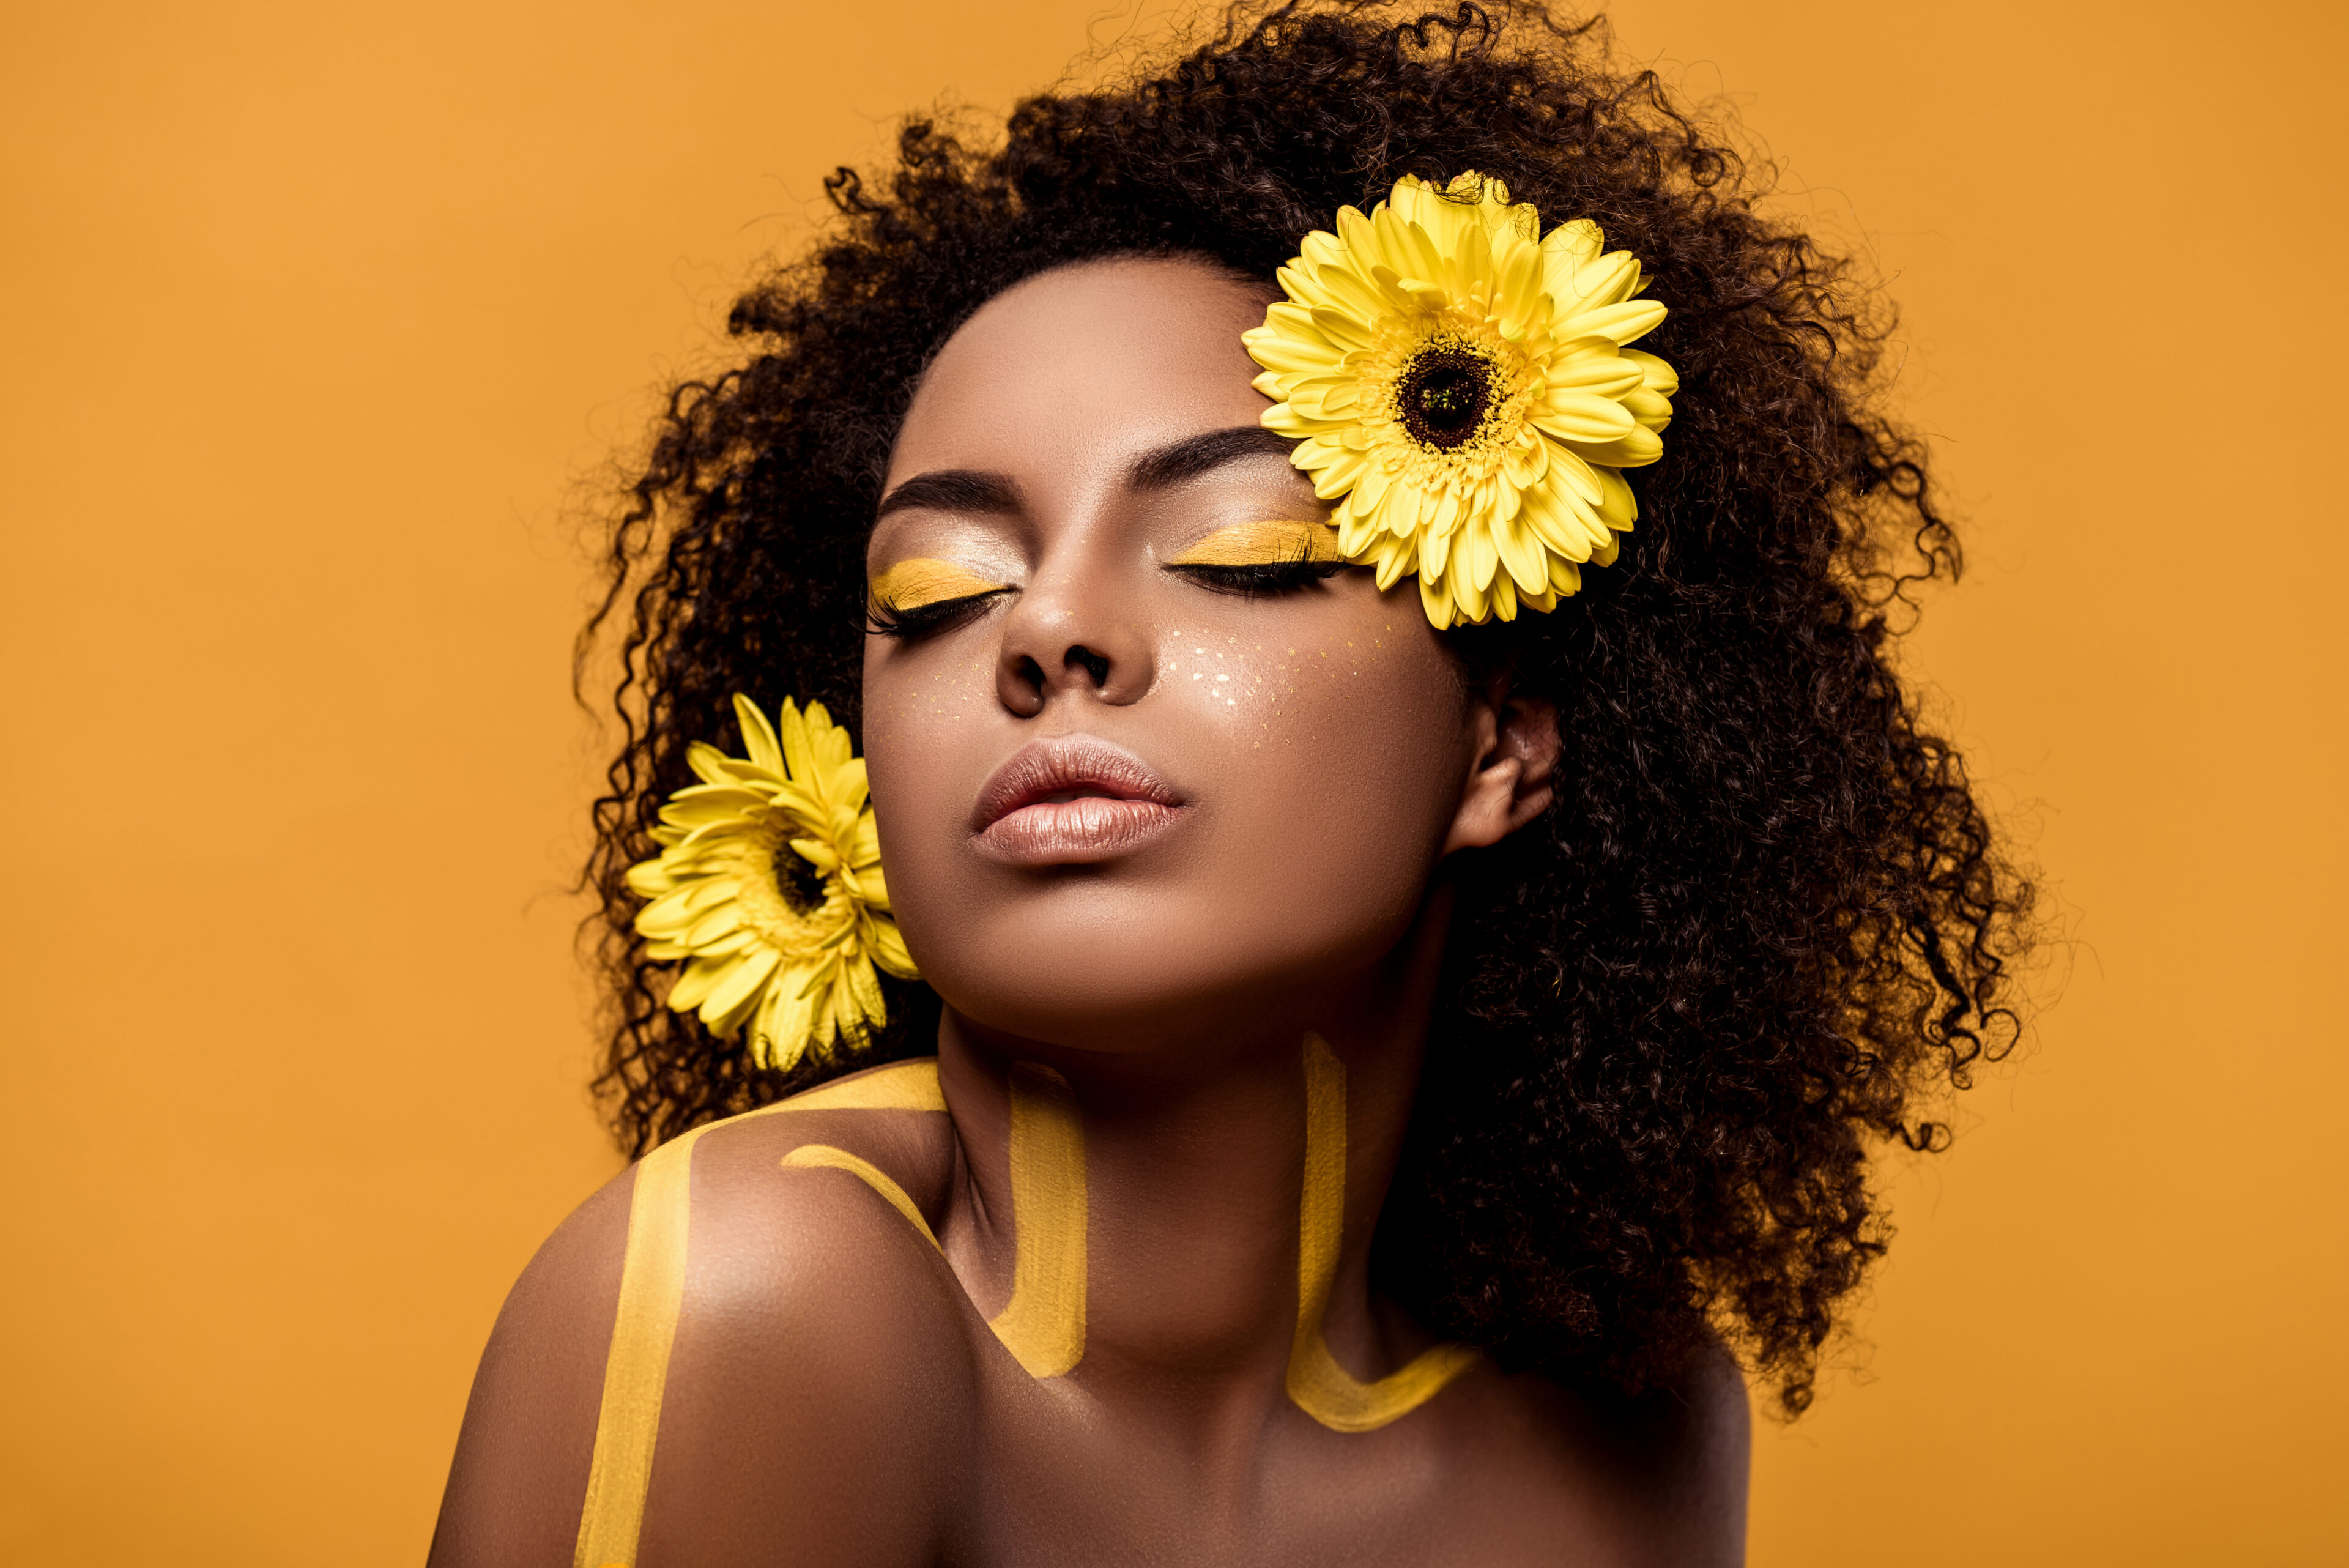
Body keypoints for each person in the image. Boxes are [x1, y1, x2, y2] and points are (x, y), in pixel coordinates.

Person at [429, 4, 2031, 1561]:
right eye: (935, 593)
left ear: (1502, 746)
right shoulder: (761, 1302)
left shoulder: (1634, 1419)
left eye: (1241, 551)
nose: (1047, 629)